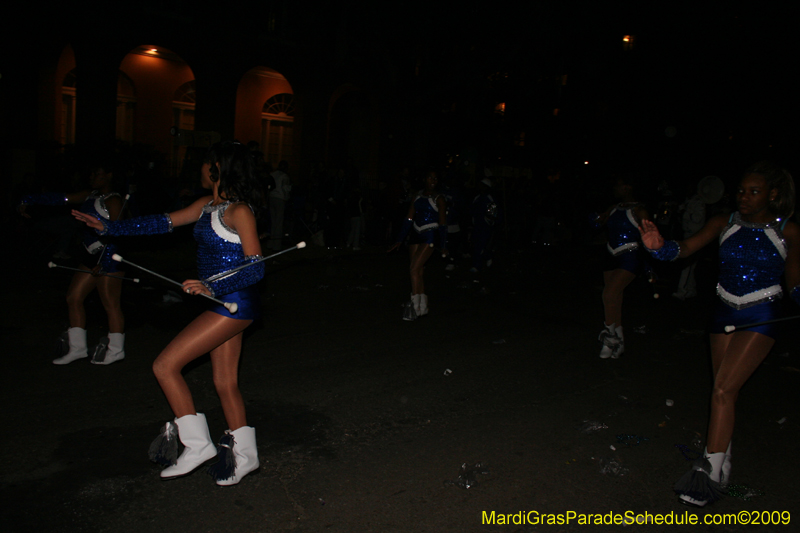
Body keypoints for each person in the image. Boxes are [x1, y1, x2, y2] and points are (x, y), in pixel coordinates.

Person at [73, 142, 266, 486]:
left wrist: (211, 286)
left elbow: (256, 268)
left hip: (236, 304)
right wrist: (110, 229)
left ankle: (197, 445)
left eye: (205, 163)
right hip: (223, 302)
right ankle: (246, 456)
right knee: (225, 382)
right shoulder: (206, 206)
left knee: (164, 365)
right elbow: (160, 223)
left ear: (218, 167)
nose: (200, 169)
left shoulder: (239, 211)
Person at [640, 161, 800, 507]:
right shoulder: (723, 222)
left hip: (761, 313)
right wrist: (657, 246)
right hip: (724, 309)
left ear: (772, 195)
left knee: (724, 388)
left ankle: (708, 473)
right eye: (741, 191)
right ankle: (723, 458)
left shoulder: (787, 230)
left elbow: (795, 283)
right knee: (724, 390)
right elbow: (682, 249)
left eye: (753, 192)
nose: (744, 197)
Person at [19, 162, 127, 365]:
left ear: (109, 175)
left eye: (97, 172)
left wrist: (104, 261)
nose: (92, 176)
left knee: (110, 303)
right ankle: (78, 349)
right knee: (73, 297)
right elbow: (61, 198)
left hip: (110, 256)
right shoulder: (90, 195)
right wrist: (28, 199)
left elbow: (118, 233)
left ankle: (116, 349)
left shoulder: (114, 200)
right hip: (90, 255)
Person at [594, 175, 650, 359]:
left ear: (627, 187)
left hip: (630, 256)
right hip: (610, 254)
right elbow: (598, 223)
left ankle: (609, 339)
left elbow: (650, 236)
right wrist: (595, 219)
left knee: (608, 294)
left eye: (618, 185)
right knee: (614, 299)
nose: (614, 189)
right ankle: (619, 343)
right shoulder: (614, 208)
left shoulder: (640, 210)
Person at [388, 170, 448, 319]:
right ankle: (422, 307)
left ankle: (414, 307)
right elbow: (409, 219)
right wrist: (399, 239)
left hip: (430, 234)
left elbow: (442, 224)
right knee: (418, 270)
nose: (433, 180)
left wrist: (444, 244)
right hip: (415, 233)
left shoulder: (439, 198)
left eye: (435, 178)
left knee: (413, 268)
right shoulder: (417, 196)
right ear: (424, 179)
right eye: (430, 177)